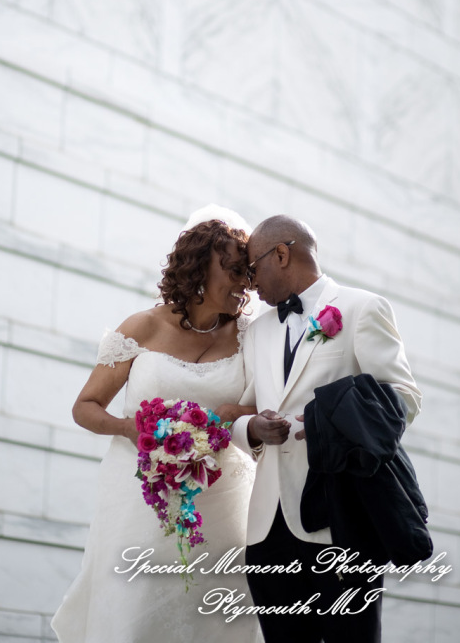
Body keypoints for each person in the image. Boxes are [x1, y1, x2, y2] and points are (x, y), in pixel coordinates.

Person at [51, 205, 263, 643]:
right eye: (234, 271)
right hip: (139, 503)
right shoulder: (142, 327)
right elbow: (85, 406)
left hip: (222, 508)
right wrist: (130, 428)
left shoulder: (251, 336)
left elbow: (267, 407)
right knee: (135, 614)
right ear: (201, 265)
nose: (245, 284)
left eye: (248, 273)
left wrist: (232, 415)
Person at [231, 214, 422, 643]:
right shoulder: (257, 330)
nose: (248, 283)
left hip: (344, 518)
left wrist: (320, 424)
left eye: (252, 269)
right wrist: (252, 429)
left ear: (281, 254)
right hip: (268, 528)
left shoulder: (362, 308)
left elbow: (403, 397)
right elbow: (238, 411)